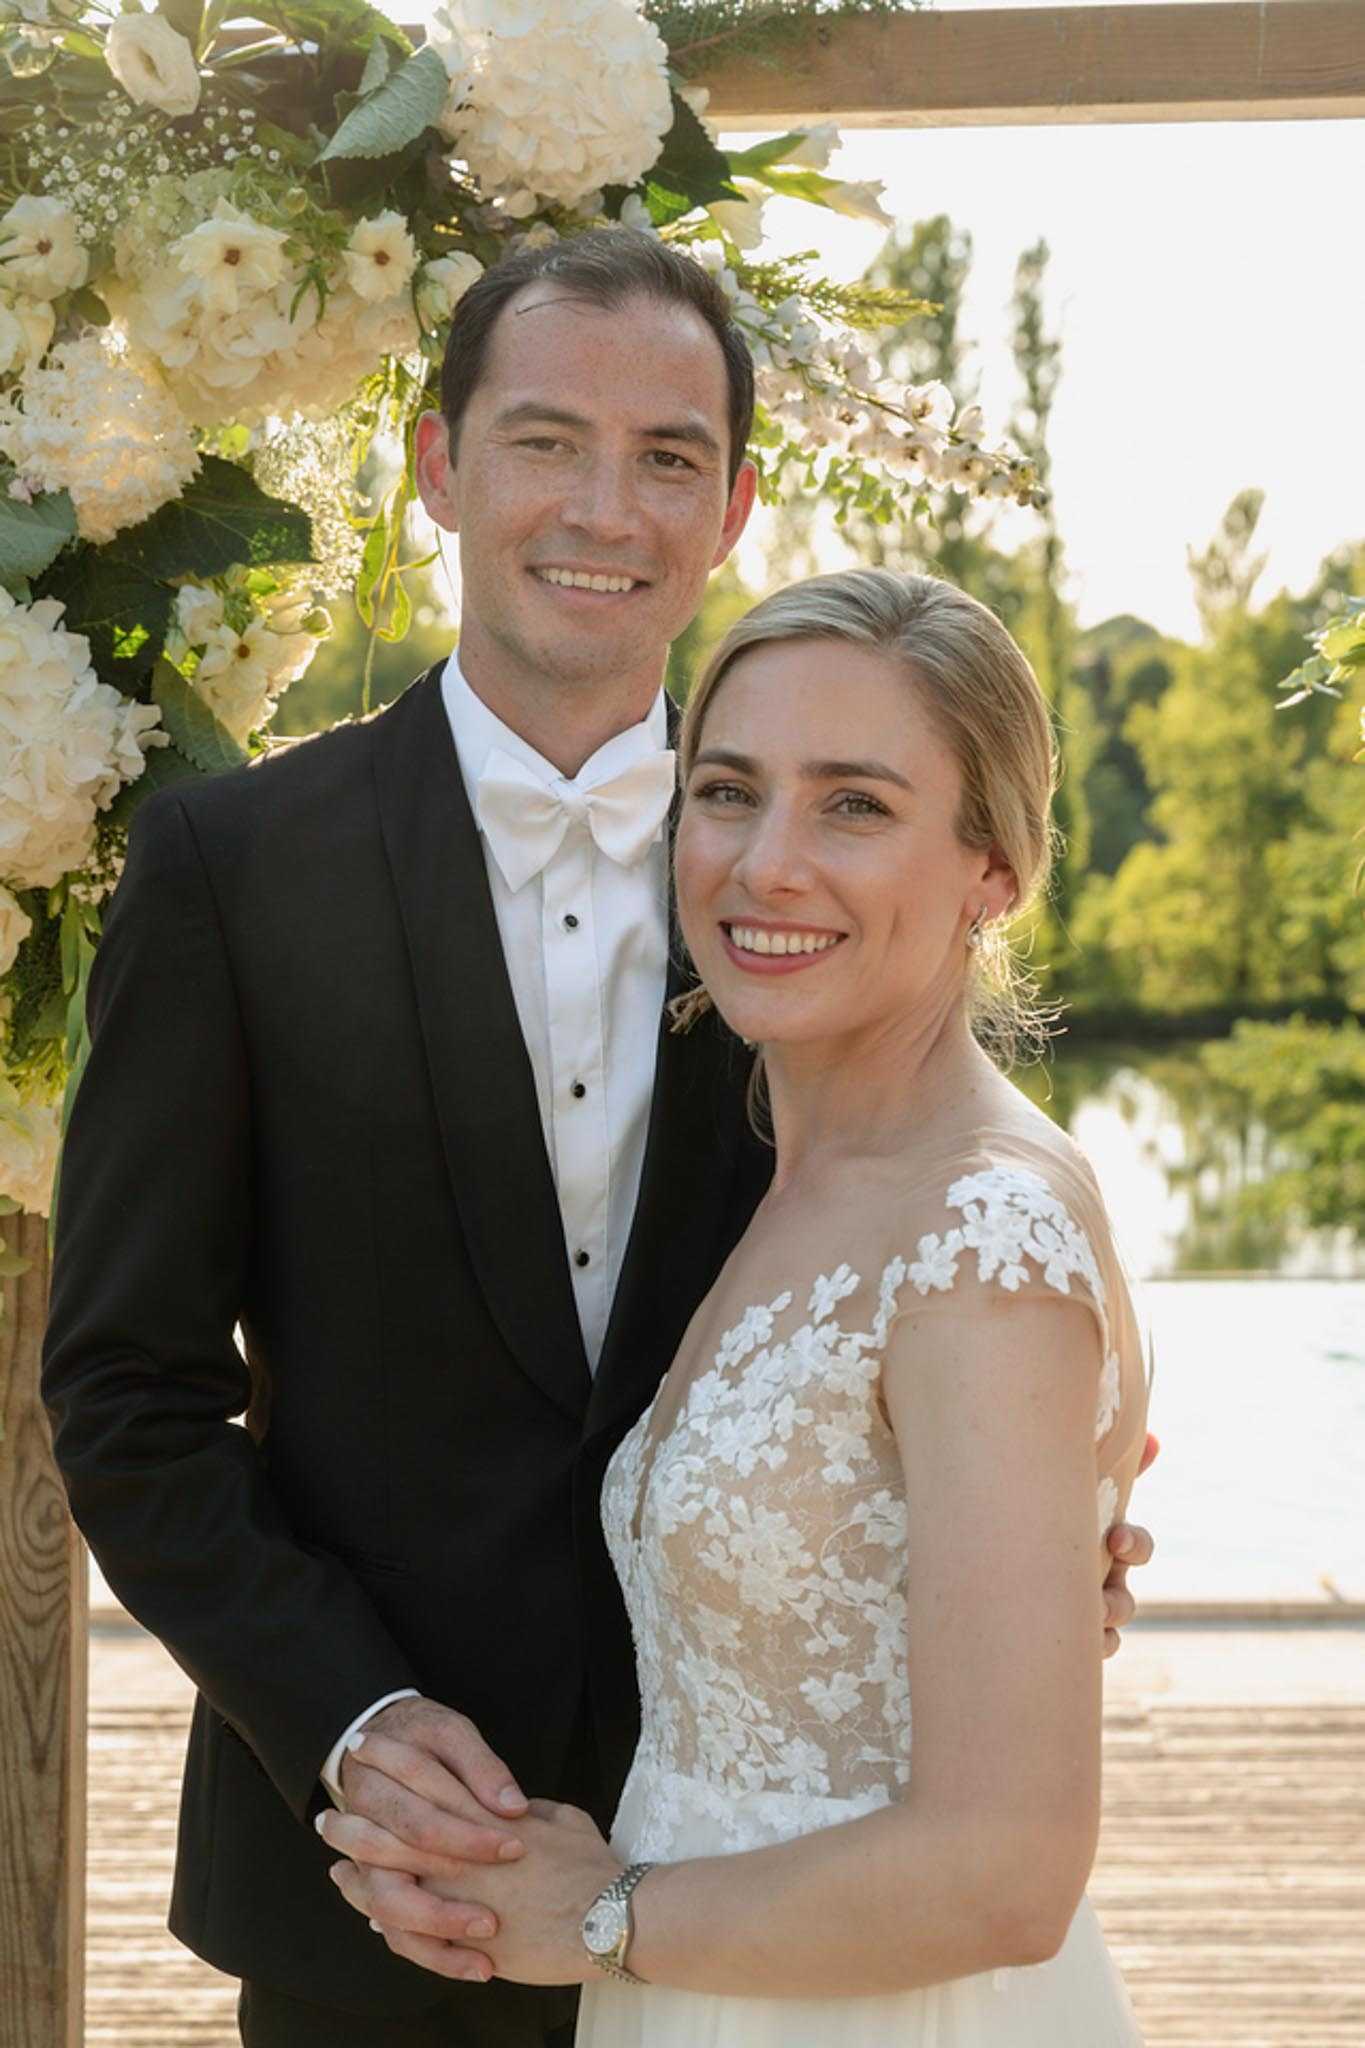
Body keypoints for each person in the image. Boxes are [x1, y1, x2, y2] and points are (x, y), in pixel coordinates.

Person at [41, 232, 1153, 2048]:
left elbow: (951, 1277)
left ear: (731, 507)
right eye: (547, 440)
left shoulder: (790, 886)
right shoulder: (230, 872)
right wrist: (351, 1721)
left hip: (790, 1887)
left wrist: (1010, 1551)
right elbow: (126, 1389)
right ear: (437, 466)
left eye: (669, 458)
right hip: (380, 1884)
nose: (604, 508)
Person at [320, 567, 1152, 2045]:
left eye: (854, 805)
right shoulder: (790, 1166)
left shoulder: (984, 1243)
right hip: (712, 1988)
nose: (766, 863)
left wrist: (597, 1917)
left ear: (993, 868)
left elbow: (1010, 1868)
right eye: (725, 791)